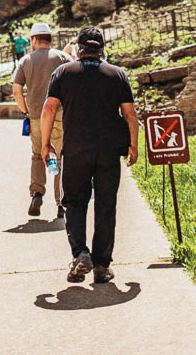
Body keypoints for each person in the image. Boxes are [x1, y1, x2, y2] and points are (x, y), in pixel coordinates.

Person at [40, 27, 139, 284]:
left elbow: (49, 109)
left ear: (79, 49)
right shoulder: (117, 74)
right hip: (108, 152)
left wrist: (46, 144)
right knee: (106, 205)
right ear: (102, 49)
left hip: (75, 150)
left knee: (74, 202)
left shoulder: (63, 73)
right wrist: (134, 145)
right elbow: (130, 114)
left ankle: (80, 253)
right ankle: (102, 266)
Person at [12, 22, 71, 219]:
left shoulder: (26, 60)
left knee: (38, 155)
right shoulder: (63, 57)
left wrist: (25, 110)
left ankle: (37, 193)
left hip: (36, 115)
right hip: (60, 114)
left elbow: (16, 89)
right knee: (61, 157)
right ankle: (61, 203)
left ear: (35, 39)